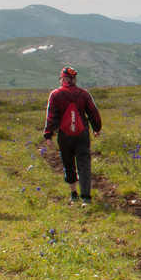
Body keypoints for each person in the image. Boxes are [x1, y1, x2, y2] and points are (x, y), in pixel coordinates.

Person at [43, 67, 102, 205]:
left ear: (63, 79)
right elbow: (94, 113)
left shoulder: (55, 94)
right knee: (84, 163)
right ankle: (86, 197)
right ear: (74, 79)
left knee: (68, 163)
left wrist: (48, 135)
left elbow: (50, 116)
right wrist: (96, 128)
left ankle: (73, 194)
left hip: (64, 135)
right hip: (82, 134)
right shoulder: (84, 94)